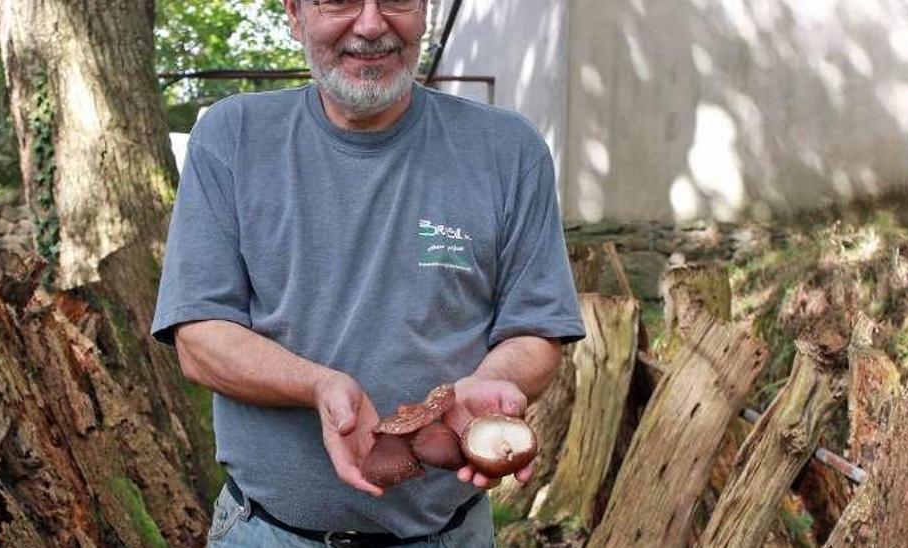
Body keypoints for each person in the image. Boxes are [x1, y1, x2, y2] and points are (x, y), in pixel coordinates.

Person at [150, 0, 585, 545]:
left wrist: (498, 380)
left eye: (397, 0)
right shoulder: (232, 137)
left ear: (424, 12)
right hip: (266, 534)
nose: (373, 24)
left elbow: (536, 328)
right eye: (340, 1)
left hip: (449, 535)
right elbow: (200, 339)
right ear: (294, 14)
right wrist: (318, 386)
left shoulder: (508, 150)